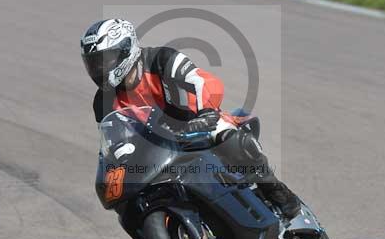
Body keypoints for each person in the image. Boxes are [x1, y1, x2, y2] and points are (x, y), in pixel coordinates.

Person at [81, 18, 302, 219]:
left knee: (226, 135)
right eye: (93, 63)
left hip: (195, 126)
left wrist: (205, 113)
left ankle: (276, 191)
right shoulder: (103, 102)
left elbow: (200, 82)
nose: (99, 69)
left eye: (104, 61)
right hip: (155, 150)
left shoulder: (162, 60)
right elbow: (114, 141)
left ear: (126, 50)